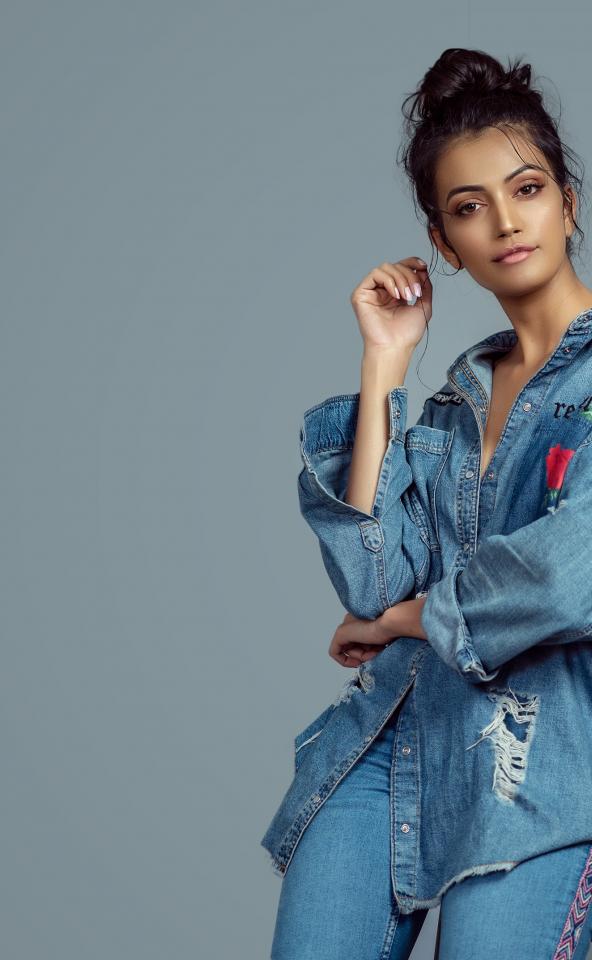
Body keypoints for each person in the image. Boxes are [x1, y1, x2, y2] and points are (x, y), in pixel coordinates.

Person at [261, 48, 592, 959]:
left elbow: (569, 577)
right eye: (469, 207)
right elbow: (370, 579)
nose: (506, 222)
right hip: (396, 741)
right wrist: (385, 364)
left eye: (527, 190)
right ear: (445, 244)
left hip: (538, 763)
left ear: (568, 201)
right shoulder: (450, 407)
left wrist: (407, 620)